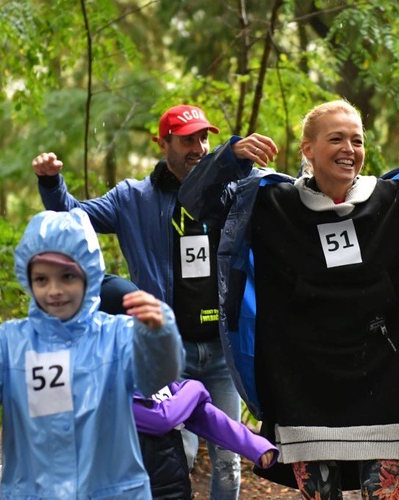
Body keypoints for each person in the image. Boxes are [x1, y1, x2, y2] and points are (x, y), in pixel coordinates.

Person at [176, 99, 399, 498]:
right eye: (336, 139)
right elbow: (199, 201)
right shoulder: (270, 204)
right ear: (308, 149)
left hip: (389, 384)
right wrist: (230, 157)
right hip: (303, 388)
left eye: (357, 140)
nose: (349, 149)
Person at [32, 104, 243, 498]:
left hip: (220, 351)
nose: (198, 147)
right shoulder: (133, 198)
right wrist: (51, 183)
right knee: (177, 452)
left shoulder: (225, 195)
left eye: (203, 137)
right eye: (186, 140)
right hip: (165, 350)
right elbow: (73, 215)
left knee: (229, 459)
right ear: (162, 143)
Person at [0, 208, 182, 498]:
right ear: (28, 280)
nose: (54, 290)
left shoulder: (117, 335)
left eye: (67, 277)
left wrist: (160, 334)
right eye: (41, 279)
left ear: (89, 275)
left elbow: (156, 378)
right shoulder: (11, 344)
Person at [133, 381, 278, 499]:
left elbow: (202, 415)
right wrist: (196, 388)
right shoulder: (114, 389)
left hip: (175, 489)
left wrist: (254, 445)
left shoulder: (156, 382)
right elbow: (161, 418)